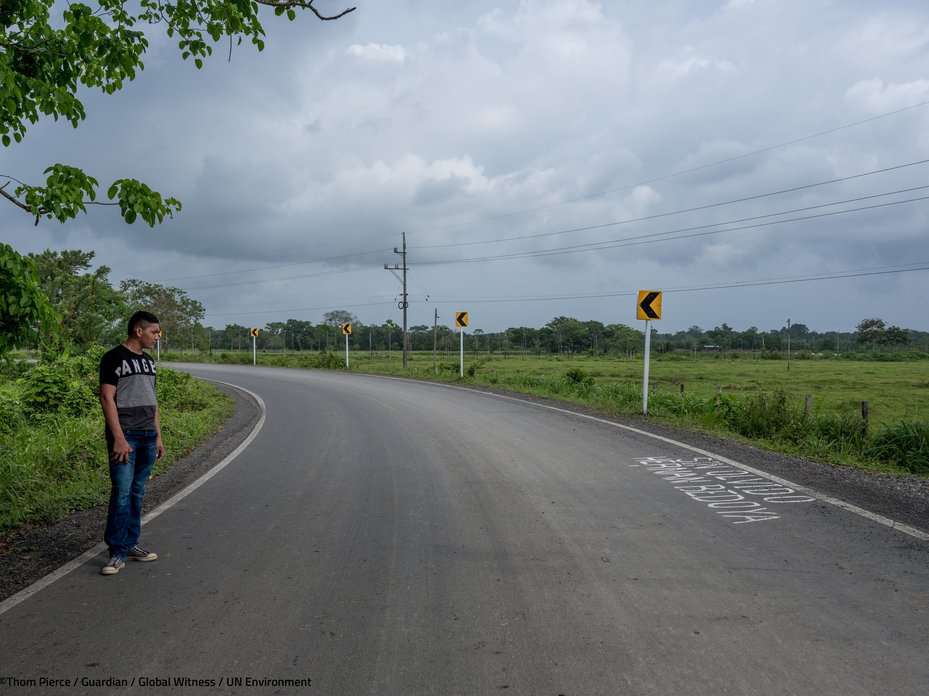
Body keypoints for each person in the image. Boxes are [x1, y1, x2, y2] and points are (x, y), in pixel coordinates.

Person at [98, 310, 165, 575]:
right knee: (122, 493)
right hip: (126, 437)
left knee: (137, 493)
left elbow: (153, 400)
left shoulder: (148, 362)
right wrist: (118, 438)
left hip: (148, 435)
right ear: (139, 331)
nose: (157, 337)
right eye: (154, 332)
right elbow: (106, 398)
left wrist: (158, 435)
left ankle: (131, 543)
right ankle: (116, 552)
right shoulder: (113, 357)